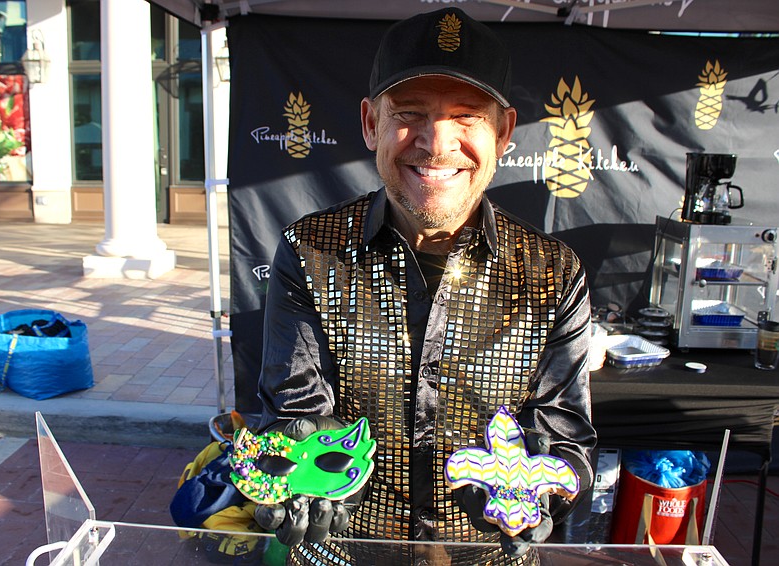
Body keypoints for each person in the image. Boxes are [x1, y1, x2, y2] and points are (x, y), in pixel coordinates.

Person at [255, 7, 596, 565]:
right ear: (371, 124)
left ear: (504, 132)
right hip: (340, 555)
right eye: (409, 113)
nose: (437, 143)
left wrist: (548, 488)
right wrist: (304, 469)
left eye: (467, 117)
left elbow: (566, 433)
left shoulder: (553, 272)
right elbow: (294, 407)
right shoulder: (309, 251)